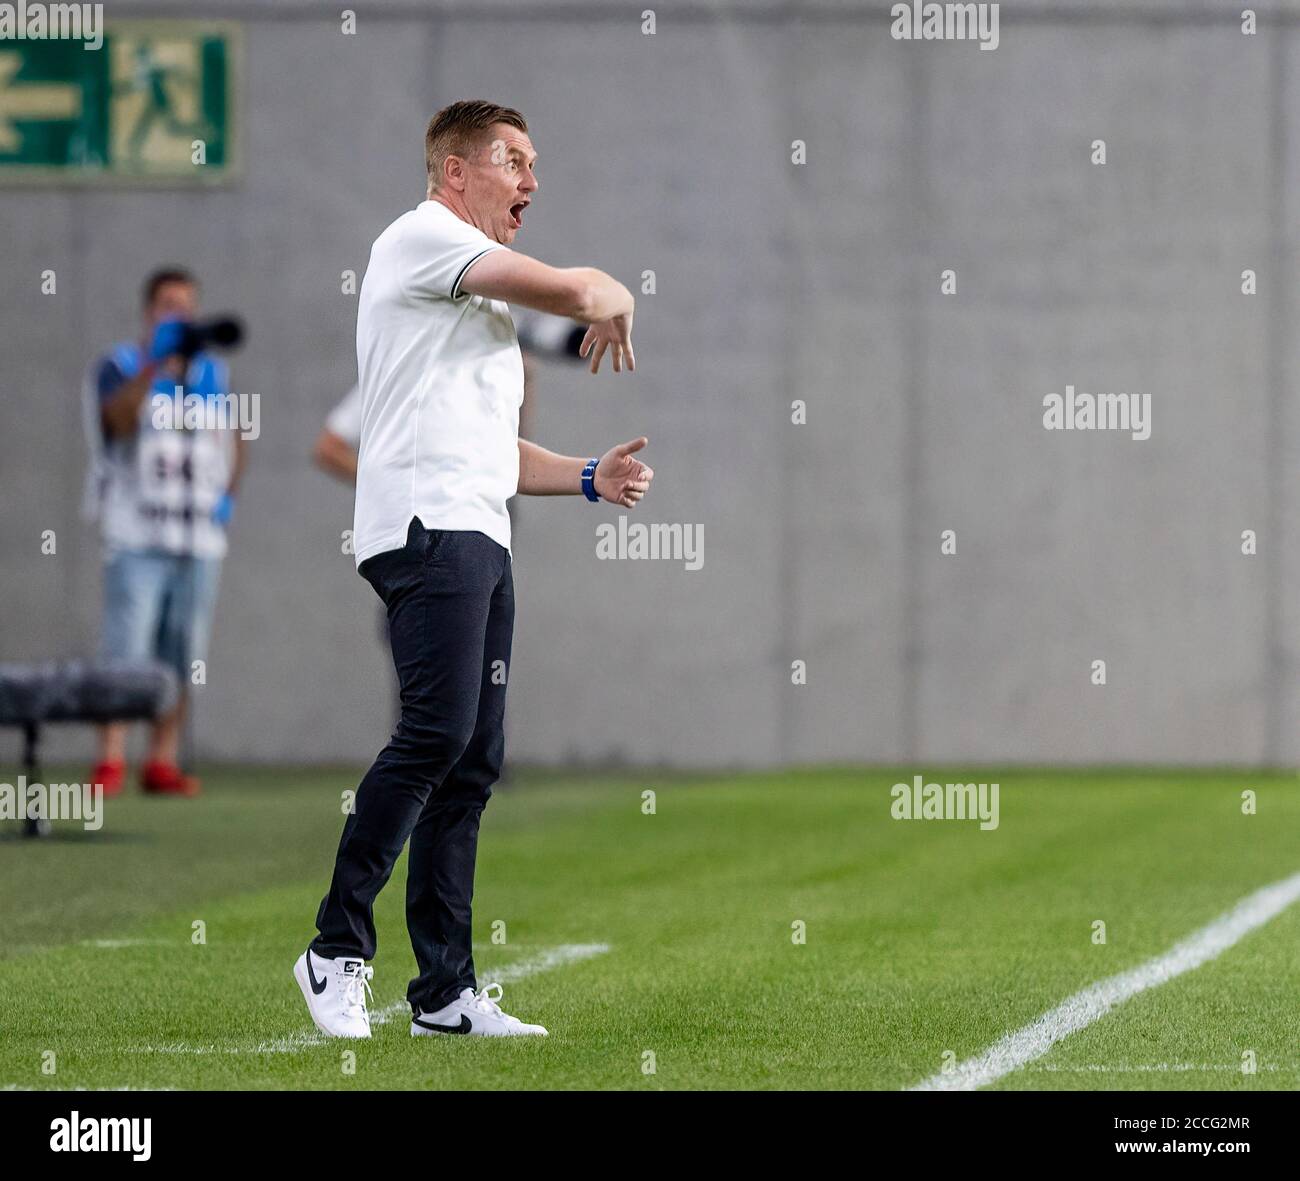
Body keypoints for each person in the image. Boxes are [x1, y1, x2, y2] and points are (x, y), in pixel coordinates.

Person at [295, 100, 652, 1038]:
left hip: (477, 533)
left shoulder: (477, 297)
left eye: (536, 162)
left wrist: (584, 475)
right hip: (427, 532)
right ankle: (333, 951)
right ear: (455, 172)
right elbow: (581, 294)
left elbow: (494, 451)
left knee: (470, 758)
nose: (531, 179)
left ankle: (444, 992)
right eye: (513, 160)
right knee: (433, 734)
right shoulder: (420, 239)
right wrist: (607, 286)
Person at [83, 267, 246, 797]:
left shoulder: (212, 375)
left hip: (197, 539)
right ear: (148, 310)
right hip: (137, 535)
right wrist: (155, 364)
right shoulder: (123, 366)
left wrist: (228, 497)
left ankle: (162, 759)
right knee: (127, 649)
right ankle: (110, 757)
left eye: (185, 306)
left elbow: (234, 439)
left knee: (183, 653)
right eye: (167, 305)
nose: (177, 315)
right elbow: (118, 422)